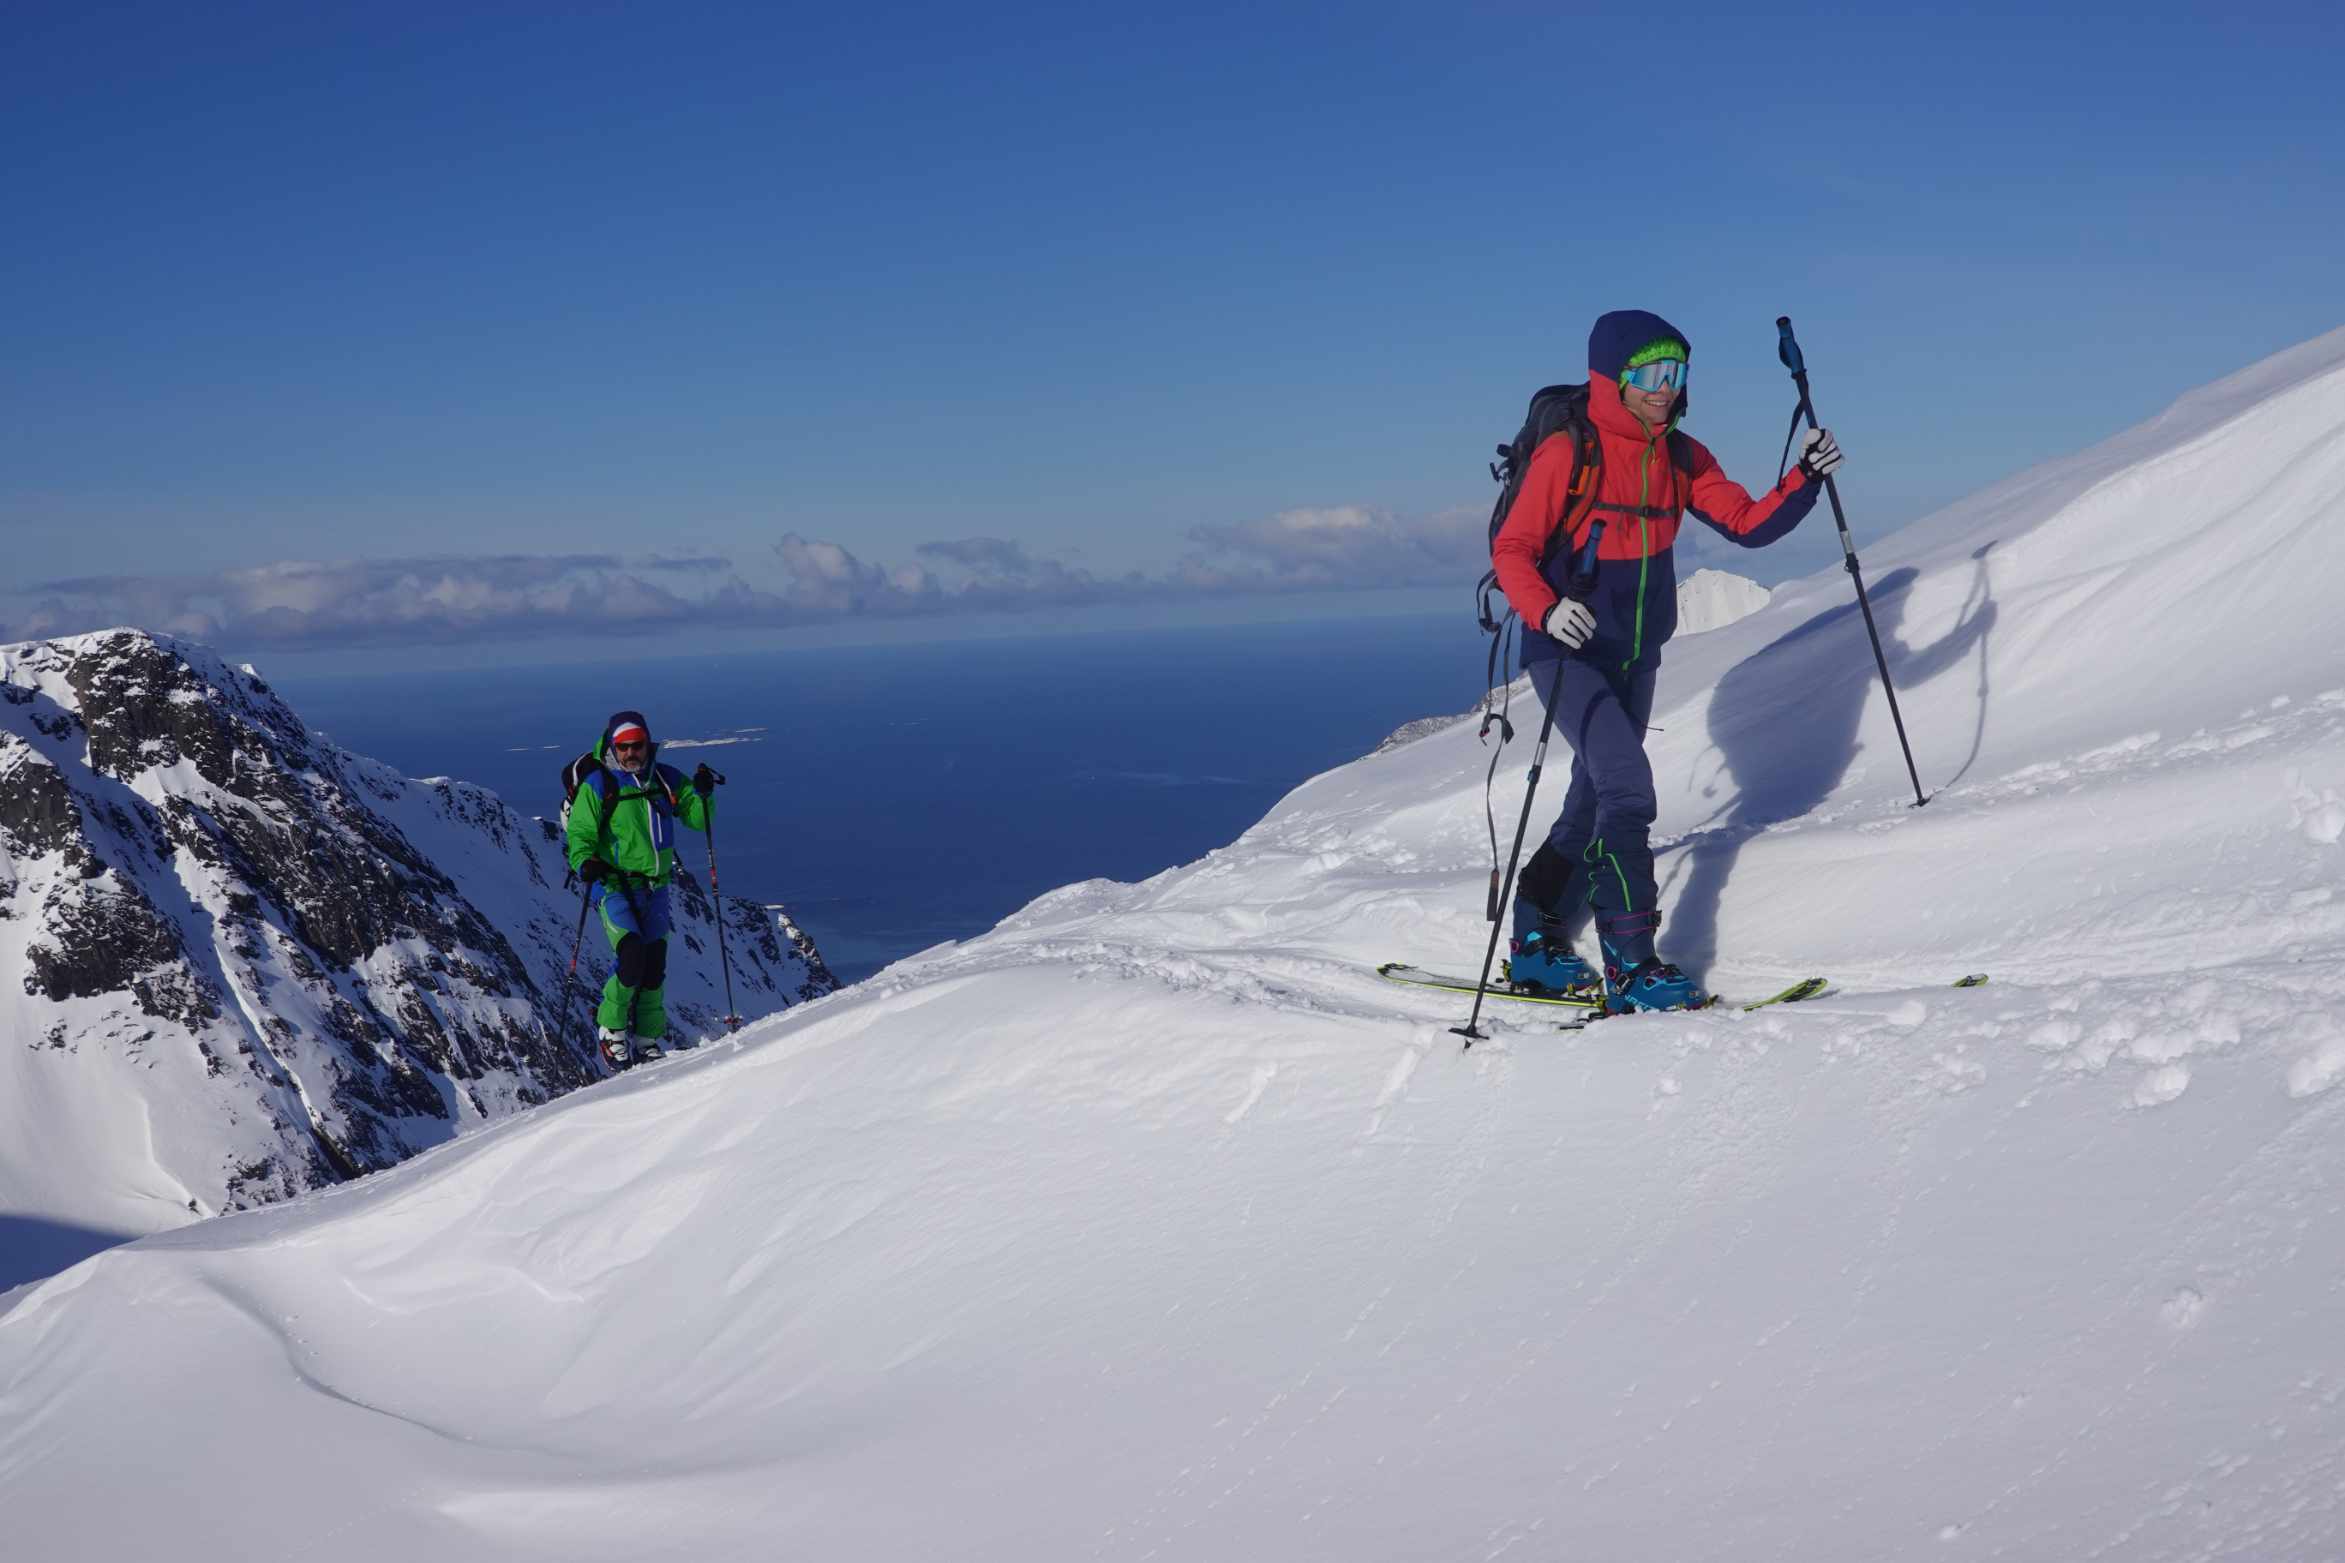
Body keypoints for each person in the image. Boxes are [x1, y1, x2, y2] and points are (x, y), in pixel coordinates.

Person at [1488, 309, 1842, 1012]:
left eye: (1675, 372)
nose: (1664, 387)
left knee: (1590, 799)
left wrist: (1802, 477)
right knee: (1628, 791)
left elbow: (1745, 522)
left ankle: (1534, 937)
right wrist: (1547, 609)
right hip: (1565, 651)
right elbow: (1512, 552)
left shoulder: (1681, 455)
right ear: (1613, 378)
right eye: (1649, 373)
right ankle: (1632, 964)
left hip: (1635, 655)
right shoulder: (1568, 451)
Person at [565, 709, 719, 1067]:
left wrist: (703, 794)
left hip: (657, 886)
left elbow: (698, 818)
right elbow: (581, 834)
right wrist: (584, 862)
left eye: (637, 746)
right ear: (613, 747)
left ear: (647, 745)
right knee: (632, 957)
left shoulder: (664, 780)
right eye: (624, 747)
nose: (631, 753)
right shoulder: (600, 785)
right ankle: (611, 1028)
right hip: (615, 885)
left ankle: (647, 1038)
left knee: (654, 965)